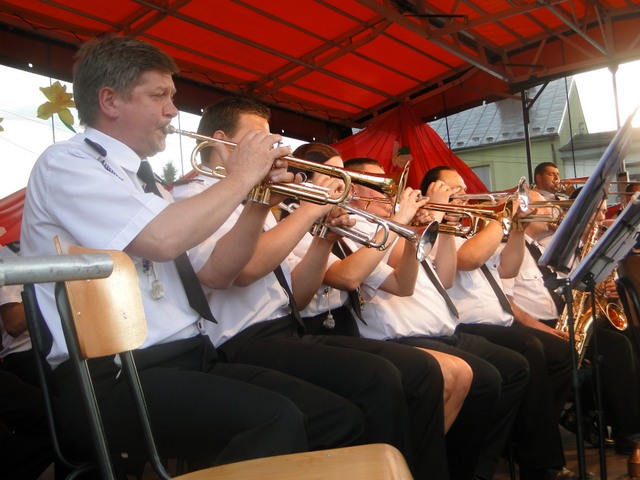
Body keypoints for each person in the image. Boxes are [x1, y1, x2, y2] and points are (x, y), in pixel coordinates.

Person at [19, 35, 367, 472]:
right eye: (159, 96)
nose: (172, 110)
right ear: (110, 100)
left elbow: (219, 270)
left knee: (338, 420)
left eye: (172, 97)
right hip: (111, 376)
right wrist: (241, 177)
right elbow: (163, 239)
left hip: (188, 356)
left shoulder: (148, 183)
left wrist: (259, 200)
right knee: (274, 421)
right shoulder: (68, 162)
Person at [172, 97, 450, 480]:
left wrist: (323, 236)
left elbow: (299, 297)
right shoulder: (198, 197)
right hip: (239, 342)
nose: (274, 149)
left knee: (418, 371)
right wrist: (309, 210)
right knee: (378, 381)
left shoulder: (257, 202)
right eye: (260, 139)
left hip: (288, 329)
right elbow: (245, 271)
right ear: (221, 142)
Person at [318, 155, 529, 480]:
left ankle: (468, 466)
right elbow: (379, 269)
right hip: (400, 334)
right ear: (353, 190)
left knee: (512, 368)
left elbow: (444, 277)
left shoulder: (388, 225)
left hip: (443, 328)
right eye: (378, 185)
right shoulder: (357, 225)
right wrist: (409, 221)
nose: (389, 192)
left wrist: (440, 226)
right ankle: (443, 465)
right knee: (484, 378)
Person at [420, 166, 575, 480]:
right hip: (469, 324)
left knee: (562, 354)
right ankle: (538, 461)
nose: (464, 195)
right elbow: (469, 260)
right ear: (432, 193)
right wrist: (502, 217)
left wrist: (516, 228)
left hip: (500, 323)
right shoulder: (431, 231)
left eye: (464, 189)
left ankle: (525, 435)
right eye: (454, 189)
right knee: (529, 348)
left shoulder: (471, 230)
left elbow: (508, 269)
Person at [518, 188, 640, 455]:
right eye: (596, 211)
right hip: (545, 323)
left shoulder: (543, 247)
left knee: (629, 337)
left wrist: (605, 289)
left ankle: (626, 423)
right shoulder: (546, 246)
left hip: (570, 315)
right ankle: (627, 433)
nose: (551, 212)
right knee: (616, 347)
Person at [0, 243, 53, 480]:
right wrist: (52, 279)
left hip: (56, 349)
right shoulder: (6, 254)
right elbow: (13, 324)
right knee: (57, 418)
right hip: (26, 354)